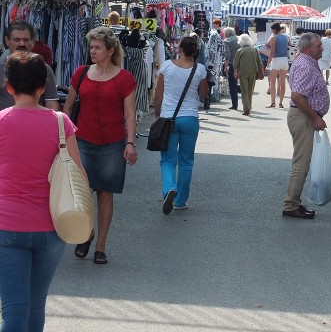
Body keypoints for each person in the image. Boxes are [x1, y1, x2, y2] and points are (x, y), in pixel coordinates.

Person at [0, 52, 85, 331]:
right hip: (52, 226)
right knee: (36, 304)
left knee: (14, 308)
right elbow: (78, 176)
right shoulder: (61, 123)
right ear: (42, 87)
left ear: (8, 86)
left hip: (6, 225)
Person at [62, 26, 138, 265]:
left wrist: (130, 143)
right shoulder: (81, 73)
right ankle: (86, 233)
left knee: (105, 193)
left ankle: (101, 245)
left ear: (110, 50)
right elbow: (67, 107)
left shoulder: (124, 78)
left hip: (113, 143)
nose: (92, 51)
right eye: (91, 47)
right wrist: (63, 139)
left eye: (97, 47)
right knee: (83, 193)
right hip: (82, 140)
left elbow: (130, 114)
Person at [153, 36, 209, 214]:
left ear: (180, 49)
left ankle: (169, 188)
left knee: (168, 159)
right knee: (186, 161)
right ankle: (181, 200)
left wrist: (158, 116)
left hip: (168, 118)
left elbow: (157, 96)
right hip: (190, 119)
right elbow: (203, 94)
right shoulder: (199, 69)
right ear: (195, 52)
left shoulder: (167, 66)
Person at [283, 33, 330, 219]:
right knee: (301, 164)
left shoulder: (306, 62)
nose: (322, 48)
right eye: (318, 45)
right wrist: (315, 118)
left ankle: (293, 202)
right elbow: (297, 96)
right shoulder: (305, 65)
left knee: (301, 162)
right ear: (307, 48)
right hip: (303, 117)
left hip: (304, 117)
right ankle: (290, 205)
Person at [0, 20, 59, 111]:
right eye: (17, 39)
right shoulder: (1, 67)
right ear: (7, 41)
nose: (22, 44)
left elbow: (51, 102)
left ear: (33, 42)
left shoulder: (44, 69)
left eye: (26, 40)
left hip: (35, 123)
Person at [233, 34, 264, 116]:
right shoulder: (255, 50)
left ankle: (246, 108)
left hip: (243, 72)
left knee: (244, 91)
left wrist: (235, 71)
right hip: (253, 72)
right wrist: (261, 71)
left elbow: (235, 63)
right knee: (250, 90)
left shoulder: (240, 51)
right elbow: (259, 62)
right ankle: (249, 106)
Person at [265, 22, 290, 108]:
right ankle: (281, 102)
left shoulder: (273, 38)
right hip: (285, 59)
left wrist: (268, 63)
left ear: (274, 30)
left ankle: (273, 102)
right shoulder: (286, 37)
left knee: (272, 82)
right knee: (282, 82)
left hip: (276, 60)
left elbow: (272, 52)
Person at [223, 27, 240, 110]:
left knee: (232, 84)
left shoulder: (227, 41)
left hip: (233, 65)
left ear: (227, 33)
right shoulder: (239, 39)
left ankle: (235, 104)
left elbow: (227, 55)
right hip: (242, 64)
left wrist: (226, 67)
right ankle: (247, 104)